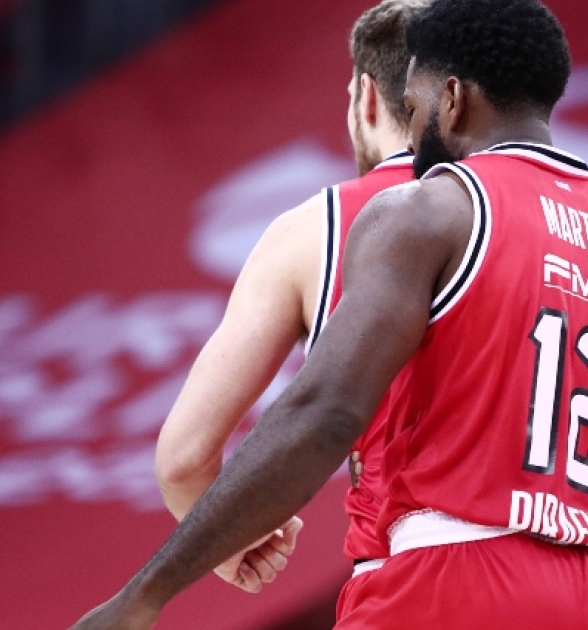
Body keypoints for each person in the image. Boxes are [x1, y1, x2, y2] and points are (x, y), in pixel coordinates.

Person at [70, 0, 588, 627]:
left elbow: (322, 415)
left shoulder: (425, 210)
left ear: (451, 98)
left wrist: (145, 594)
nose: (414, 118)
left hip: (446, 580)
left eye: (418, 97)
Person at [152, 0, 425, 600]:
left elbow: (183, 459)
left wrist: (230, 542)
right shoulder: (569, 220)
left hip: (416, 581)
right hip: (583, 580)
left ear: (366, 98)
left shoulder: (315, 230)